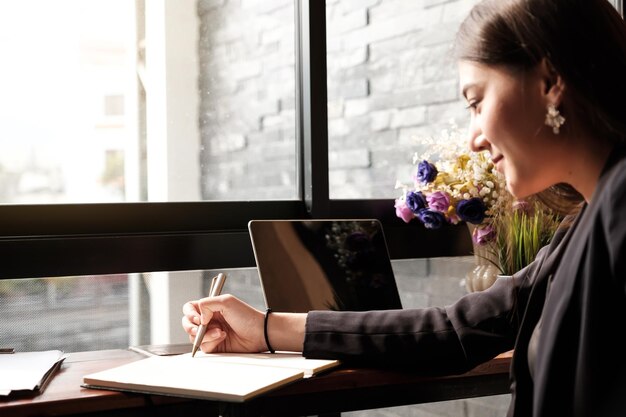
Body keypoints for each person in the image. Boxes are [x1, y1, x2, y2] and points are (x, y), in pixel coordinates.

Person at [182, 0, 626, 415]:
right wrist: (263, 327)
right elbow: (454, 331)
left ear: (550, 81)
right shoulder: (582, 225)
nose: (473, 137)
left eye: (476, 102)